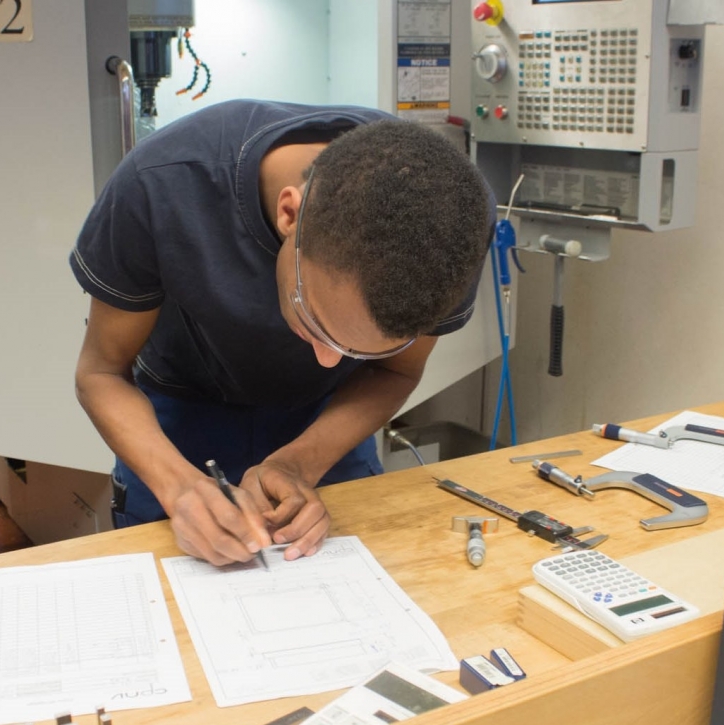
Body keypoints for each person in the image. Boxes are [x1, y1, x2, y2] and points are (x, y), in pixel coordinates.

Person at [71, 99, 492, 567]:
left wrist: (299, 462)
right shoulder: (160, 185)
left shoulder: (451, 227)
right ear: (289, 215)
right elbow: (101, 373)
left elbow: (394, 373)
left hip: (330, 416)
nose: (329, 360)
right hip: (176, 418)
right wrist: (179, 488)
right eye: (314, 322)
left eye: (358, 349)